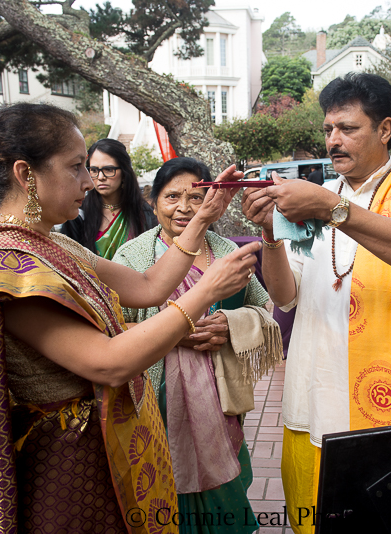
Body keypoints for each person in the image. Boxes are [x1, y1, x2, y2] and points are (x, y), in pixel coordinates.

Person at [0, 103, 261, 532]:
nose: (90, 182)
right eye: (76, 167)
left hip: (103, 443)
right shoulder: (6, 267)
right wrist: (208, 291)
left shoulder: (53, 244)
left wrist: (204, 216)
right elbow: (109, 363)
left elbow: (148, 286)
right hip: (62, 462)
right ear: (25, 174)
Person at [241, 72, 391, 531]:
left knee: (388, 520)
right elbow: (286, 294)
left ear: (385, 129)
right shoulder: (317, 197)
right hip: (318, 388)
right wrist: (270, 236)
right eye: (327, 130)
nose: (334, 140)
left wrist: (329, 208)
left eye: (348, 128)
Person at [113, 157, 280, 533]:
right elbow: (113, 324)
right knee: (160, 488)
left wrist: (231, 323)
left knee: (224, 487)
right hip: (155, 399)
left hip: (220, 399)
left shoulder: (227, 252)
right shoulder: (132, 257)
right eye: (172, 197)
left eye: (197, 197)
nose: (184, 208)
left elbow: (265, 312)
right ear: (153, 202)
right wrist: (171, 327)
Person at [61, 138, 156, 260]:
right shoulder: (78, 214)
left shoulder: (144, 214)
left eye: (108, 169)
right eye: (94, 170)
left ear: (124, 172)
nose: (100, 177)